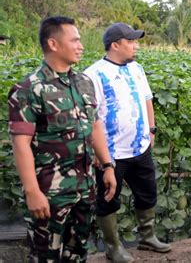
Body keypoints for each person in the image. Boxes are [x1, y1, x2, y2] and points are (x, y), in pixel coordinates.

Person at [8, 16, 117, 262]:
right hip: (50, 195)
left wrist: (107, 165)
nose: (81, 46)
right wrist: (32, 191)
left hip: (85, 190)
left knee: (78, 253)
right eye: (75, 40)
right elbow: (21, 144)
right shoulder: (28, 90)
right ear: (54, 44)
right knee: (46, 257)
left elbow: (95, 125)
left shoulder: (84, 83)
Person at [84, 22, 171, 262]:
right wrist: (100, 155)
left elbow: (147, 99)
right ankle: (113, 246)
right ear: (115, 45)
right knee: (108, 199)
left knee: (147, 193)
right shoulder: (93, 74)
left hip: (139, 146)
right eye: (131, 42)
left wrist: (151, 130)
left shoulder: (137, 69)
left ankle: (147, 237)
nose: (136, 46)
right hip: (110, 153)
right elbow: (91, 119)